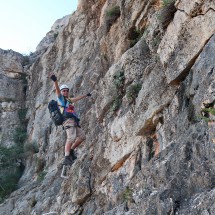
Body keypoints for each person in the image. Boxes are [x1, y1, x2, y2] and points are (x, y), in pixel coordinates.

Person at [50, 74, 91, 165]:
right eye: (64, 91)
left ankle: (71, 151)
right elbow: (57, 91)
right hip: (67, 121)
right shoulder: (60, 99)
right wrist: (55, 81)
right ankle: (66, 157)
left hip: (74, 121)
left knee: (82, 137)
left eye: (66, 91)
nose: (65, 92)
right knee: (71, 137)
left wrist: (85, 95)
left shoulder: (69, 100)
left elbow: (76, 98)